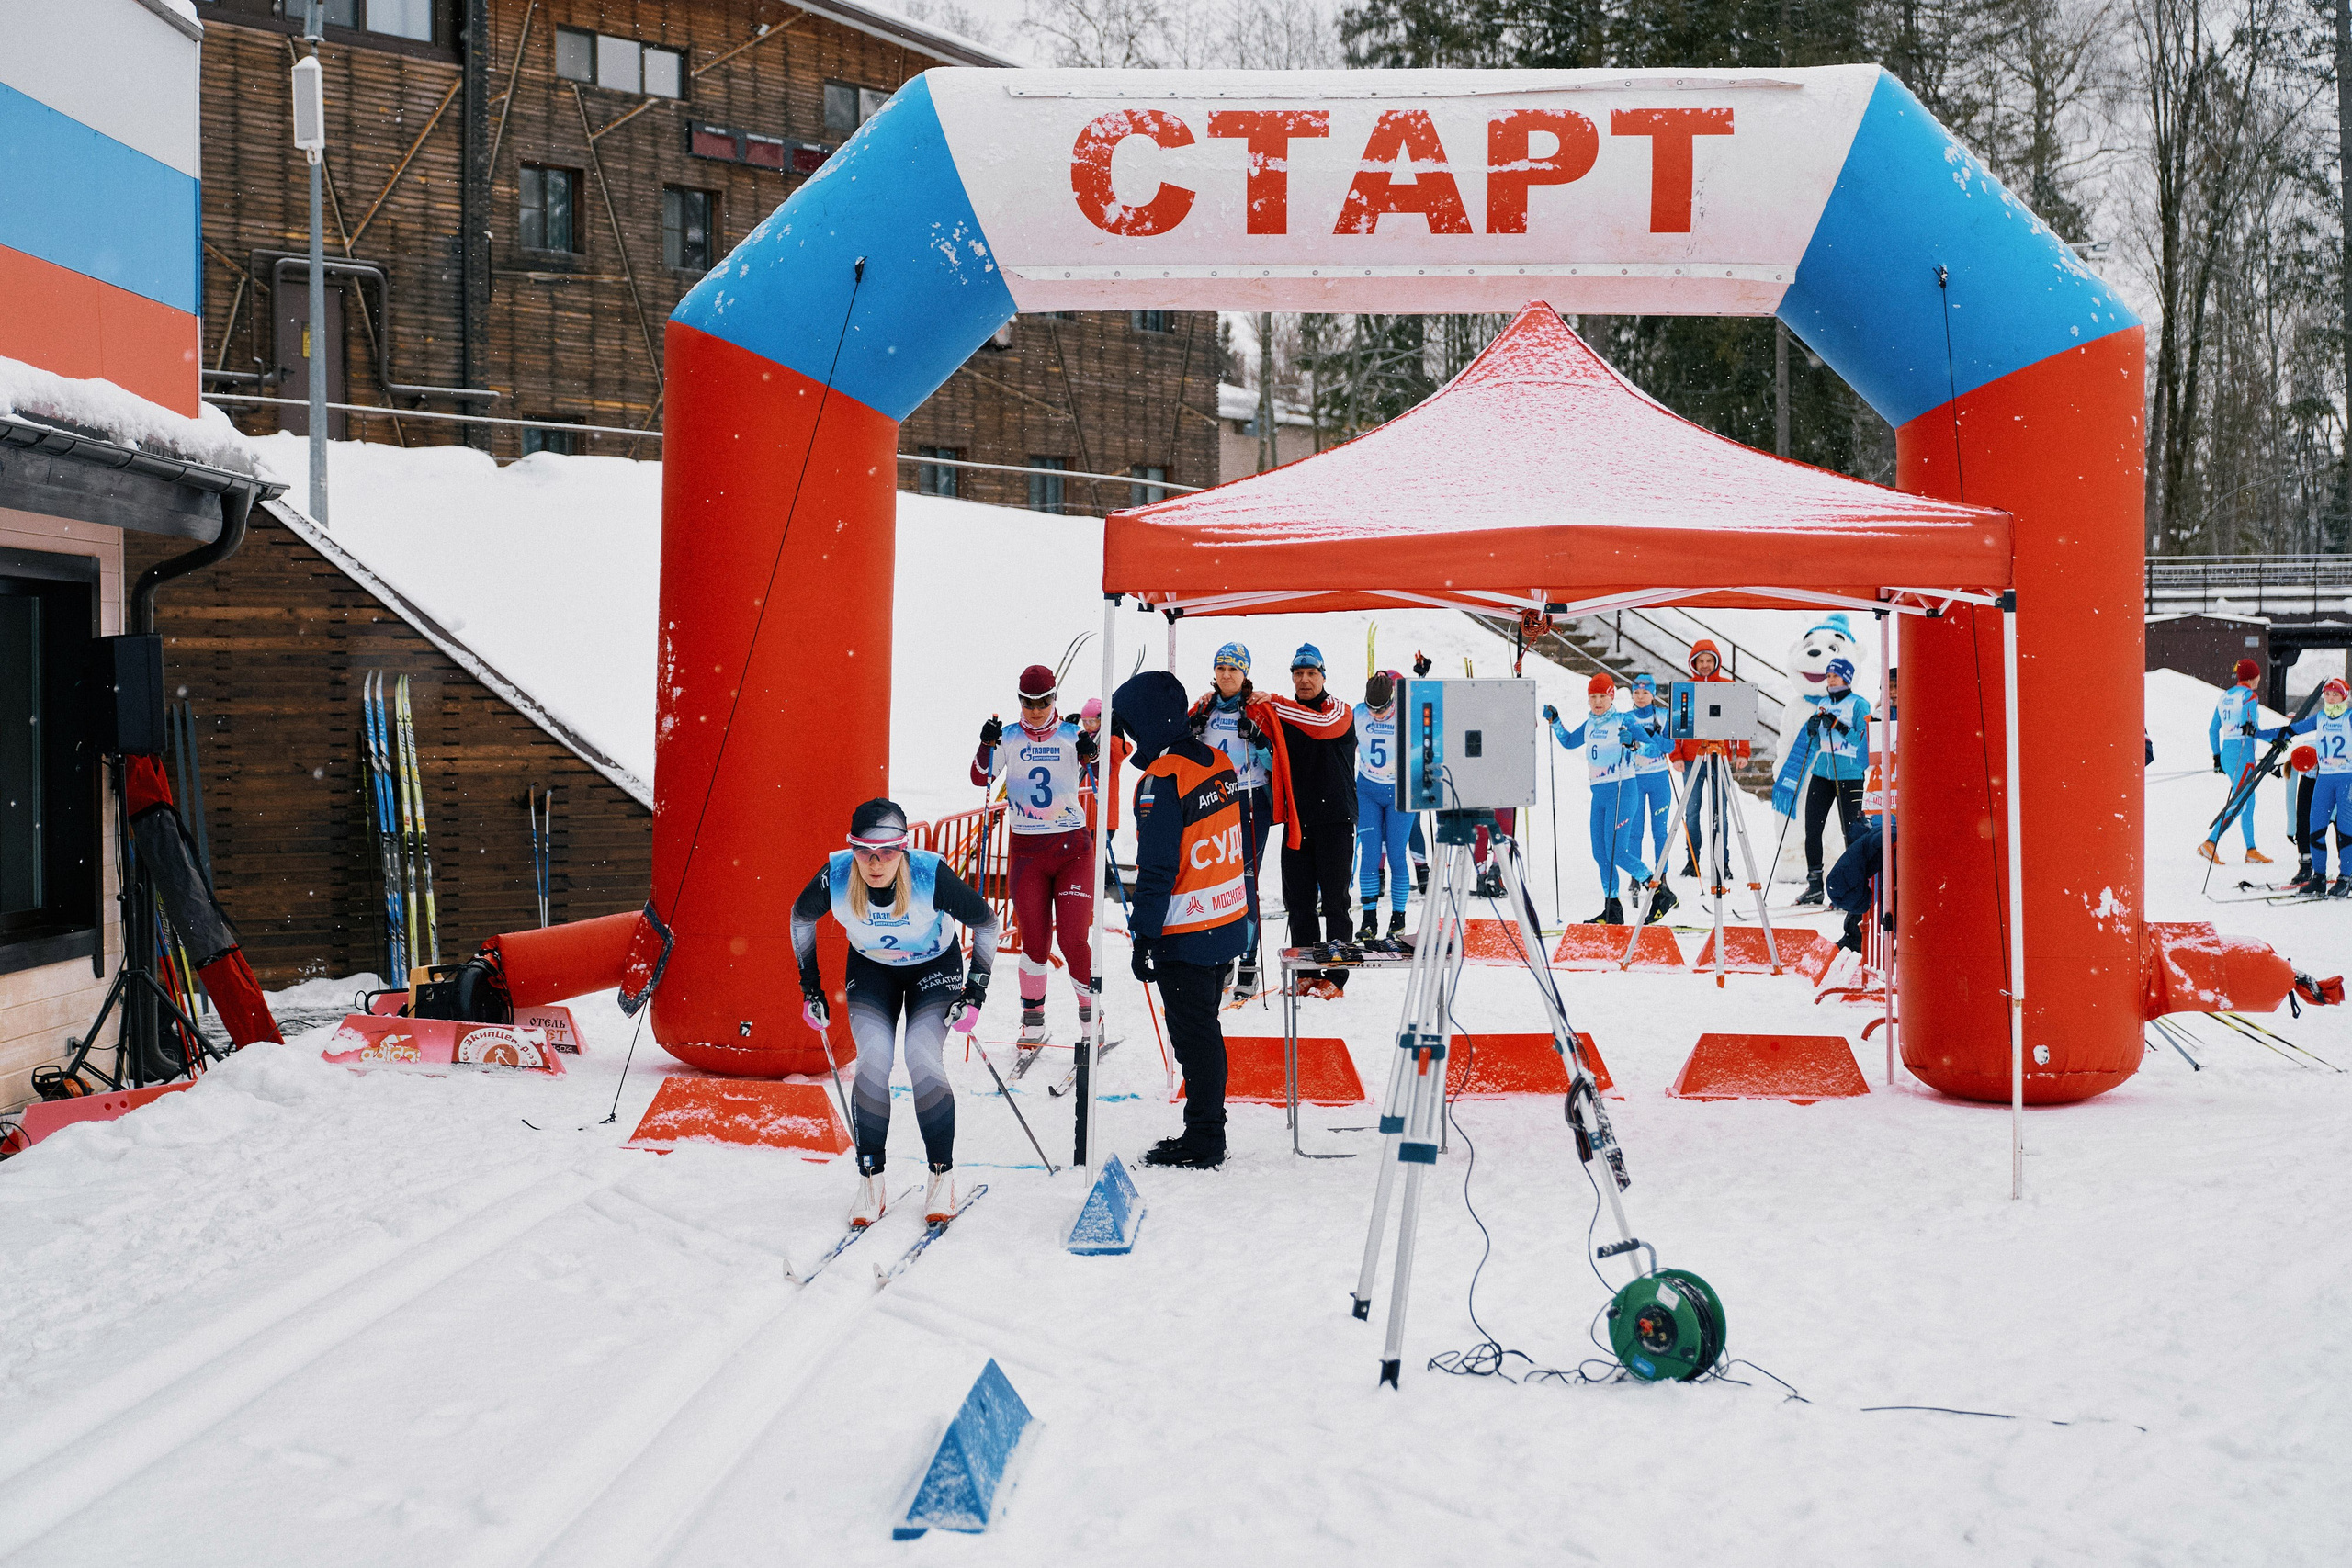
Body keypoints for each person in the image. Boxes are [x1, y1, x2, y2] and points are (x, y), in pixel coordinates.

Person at [792, 799, 998, 1226]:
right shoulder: (837, 875)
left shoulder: (927, 874)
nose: (875, 863)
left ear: (903, 849)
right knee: (873, 1059)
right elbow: (800, 918)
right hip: (872, 971)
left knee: (921, 1055)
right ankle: (871, 1180)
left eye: (886, 852)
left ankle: (941, 1176)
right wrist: (810, 987)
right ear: (852, 849)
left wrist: (975, 991)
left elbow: (987, 923)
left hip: (933, 968)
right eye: (864, 851)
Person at [1114, 670, 1255, 1168]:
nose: (1129, 736)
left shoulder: (1163, 780)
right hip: (1226, 920)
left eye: (1130, 725)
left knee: (1195, 1039)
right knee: (1204, 1031)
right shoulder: (1219, 762)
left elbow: (1156, 868)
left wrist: (1143, 936)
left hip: (1187, 930)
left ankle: (1204, 1138)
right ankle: (1205, 1128)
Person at [970, 663, 1100, 1053]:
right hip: (1028, 852)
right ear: (1020, 702)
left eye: (1044, 702)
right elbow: (980, 778)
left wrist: (1090, 752)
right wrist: (985, 744)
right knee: (1034, 942)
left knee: (1073, 939)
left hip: (1072, 849)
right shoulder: (1008, 737)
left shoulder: (1071, 734)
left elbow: (1099, 764)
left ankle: (1092, 1018)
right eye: (1029, 703)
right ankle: (1033, 1017)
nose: (1037, 710)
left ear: (1055, 699)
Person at [1250, 644, 1358, 999]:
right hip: (1298, 819)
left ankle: (1337, 976)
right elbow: (1270, 754)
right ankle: (1307, 972)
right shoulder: (1284, 714)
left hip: (1336, 818)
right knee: (1298, 901)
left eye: (1312, 673)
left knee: (1336, 902)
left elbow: (1322, 728)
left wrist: (1275, 701)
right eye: (1298, 674)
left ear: (1323, 677)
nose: (1305, 680)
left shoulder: (1337, 710)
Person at [1546, 672, 1675, 924]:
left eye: (1602, 696)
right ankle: (1612, 908)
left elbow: (1655, 749)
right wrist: (1556, 721)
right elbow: (1569, 741)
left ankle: (1660, 891)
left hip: (1622, 791)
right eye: (1593, 696)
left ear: (1612, 696)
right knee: (1601, 853)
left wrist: (1635, 745)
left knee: (1617, 851)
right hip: (1600, 794)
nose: (1597, 702)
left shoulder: (1624, 720)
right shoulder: (1590, 723)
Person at [1188, 642, 1275, 998]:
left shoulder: (1257, 708)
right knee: (1217, 882)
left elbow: (1277, 764)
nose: (1226, 675)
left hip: (1251, 801)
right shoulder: (1204, 707)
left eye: (1234, 669)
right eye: (1221, 668)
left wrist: (1259, 741)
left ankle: (1248, 964)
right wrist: (1190, 734)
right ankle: (1223, 959)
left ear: (1245, 673)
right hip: (1214, 803)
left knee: (1246, 882)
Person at [2257, 677, 2351, 897]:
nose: (2330, 698)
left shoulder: (2349, 717)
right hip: (2324, 779)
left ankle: (2346, 878)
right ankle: (2318, 877)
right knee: (2315, 828)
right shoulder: (2321, 718)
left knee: (2346, 831)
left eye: (2335, 694)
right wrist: (2258, 733)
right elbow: (2292, 730)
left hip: (2346, 779)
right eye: (2327, 694)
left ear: (2343, 698)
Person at [1795, 657, 1872, 906]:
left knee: (1851, 832)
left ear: (1847, 678)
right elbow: (1815, 743)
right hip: (1822, 772)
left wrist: (1838, 725)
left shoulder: (1859, 704)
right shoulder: (1823, 703)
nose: (1830, 680)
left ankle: (1852, 888)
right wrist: (1811, 730)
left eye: (1835, 676)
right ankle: (1814, 886)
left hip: (1849, 774)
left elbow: (1863, 741)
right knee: (1812, 829)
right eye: (1828, 676)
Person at [1670, 640, 1750, 880]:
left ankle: (1721, 862)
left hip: (1719, 757)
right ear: (1693, 663)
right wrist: (1676, 755)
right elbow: (1677, 725)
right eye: (1701, 661)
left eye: (1709, 661)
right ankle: (1692, 861)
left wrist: (1742, 752)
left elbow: (1739, 721)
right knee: (1692, 812)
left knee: (1720, 813)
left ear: (1716, 662)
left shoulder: (1728, 687)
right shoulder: (1687, 689)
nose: (1705, 665)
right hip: (1691, 759)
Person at [1353, 670, 1412, 944]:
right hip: (1368, 791)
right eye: (1372, 708)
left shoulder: (1406, 715)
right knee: (1370, 854)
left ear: (1392, 700)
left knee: (1397, 855)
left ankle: (1398, 918)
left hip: (1400, 794)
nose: (1376, 714)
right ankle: (1369, 919)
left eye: (1383, 709)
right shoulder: (1358, 714)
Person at [2199, 658, 2271, 865]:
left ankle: (2251, 850)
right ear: (2253, 677)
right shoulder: (2250, 696)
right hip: (2243, 754)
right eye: (2258, 676)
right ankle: (2210, 843)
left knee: (2249, 800)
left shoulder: (2225, 696)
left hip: (2227, 753)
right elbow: (2251, 728)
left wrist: (2217, 757)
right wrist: (2276, 738)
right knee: (2240, 802)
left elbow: (2213, 730)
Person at [1625, 672, 1675, 872]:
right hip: (1635, 780)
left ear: (1652, 694)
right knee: (1634, 832)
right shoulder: (1627, 718)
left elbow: (1669, 747)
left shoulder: (1663, 716)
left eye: (1645, 692)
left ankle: (1662, 875)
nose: (1640, 697)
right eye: (1636, 692)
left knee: (1660, 832)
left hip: (1659, 779)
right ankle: (1636, 876)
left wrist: (1652, 735)